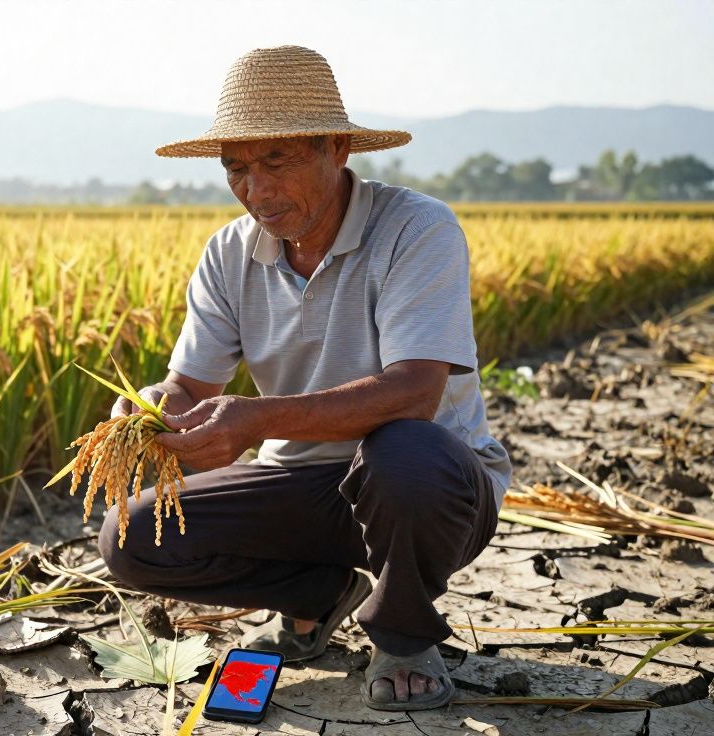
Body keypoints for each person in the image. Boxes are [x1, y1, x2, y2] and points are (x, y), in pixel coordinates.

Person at [97, 46, 511, 712]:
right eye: (237, 168)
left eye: (276, 162)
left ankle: (402, 632)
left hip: (428, 491)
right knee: (131, 539)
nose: (256, 191)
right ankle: (318, 596)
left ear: (338, 148)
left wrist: (255, 420)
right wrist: (146, 414)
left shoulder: (416, 228)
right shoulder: (231, 253)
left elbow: (415, 393)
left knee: (404, 450)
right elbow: (190, 389)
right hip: (303, 489)